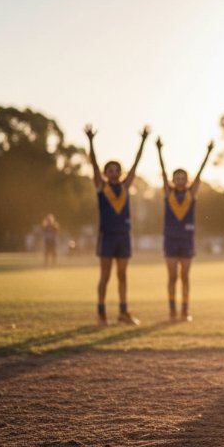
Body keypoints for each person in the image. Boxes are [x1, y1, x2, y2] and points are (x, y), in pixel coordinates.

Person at [85, 124, 150, 326]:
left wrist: (143, 140)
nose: (114, 173)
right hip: (107, 236)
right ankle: (101, 312)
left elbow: (136, 163)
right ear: (105, 173)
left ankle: (123, 312)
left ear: (121, 173)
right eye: (110, 170)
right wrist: (91, 140)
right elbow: (93, 165)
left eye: (117, 170)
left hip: (123, 235)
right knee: (105, 276)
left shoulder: (125, 186)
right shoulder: (101, 187)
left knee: (122, 275)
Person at [157, 137, 214, 322]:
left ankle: (185, 310)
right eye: (177, 178)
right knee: (172, 276)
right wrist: (159, 151)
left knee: (185, 277)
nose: (180, 180)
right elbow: (163, 171)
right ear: (173, 180)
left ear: (186, 180)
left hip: (186, 239)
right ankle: (172, 311)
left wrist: (208, 152)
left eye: (183, 178)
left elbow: (200, 173)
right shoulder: (168, 193)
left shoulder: (191, 193)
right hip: (171, 239)